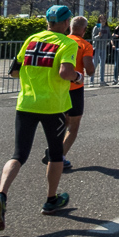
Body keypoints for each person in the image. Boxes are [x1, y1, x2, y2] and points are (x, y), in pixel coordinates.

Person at [0, 5, 79, 231]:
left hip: (26, 103)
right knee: (56, 154)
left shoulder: (31, 40)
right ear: (66, 23)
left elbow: (14, 71)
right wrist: (77, 76)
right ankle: (50, 199)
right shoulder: (67, 43)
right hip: (53, 106)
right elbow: (65, 72)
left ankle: (1, 194)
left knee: (19, 154)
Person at [41, 16, 95, 171]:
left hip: (58, 87)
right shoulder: (85, 45)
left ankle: (54, 149)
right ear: (84, 30)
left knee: (61, 122)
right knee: (74, 125)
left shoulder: (61, 41)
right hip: (75, 88)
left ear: (70, 27)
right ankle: (58, 156)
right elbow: (89, 69)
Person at [91, 13, 111, 85]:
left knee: (102, 65)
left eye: (104, 19)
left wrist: (109, 40)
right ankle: (91, 81)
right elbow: (93, 38)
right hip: (97, 48)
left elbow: (109, 37)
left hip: (103, 48)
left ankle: (101, 80)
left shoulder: (107, 28)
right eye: (101, 19)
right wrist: (98, 36)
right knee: (95, 64)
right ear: (99, 20)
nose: (103, 20)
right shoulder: (96, 27)